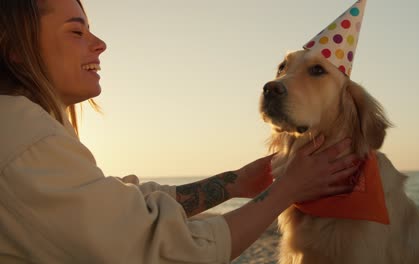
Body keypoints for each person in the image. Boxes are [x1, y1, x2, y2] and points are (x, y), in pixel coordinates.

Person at [0, 0, 361, 263]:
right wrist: (287, 190)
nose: (100, 43)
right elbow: (163, 251)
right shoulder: (28, 140)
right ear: (15, 47)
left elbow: (121, 207)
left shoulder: (26, 127)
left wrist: (235, 182)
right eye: (76, 31)